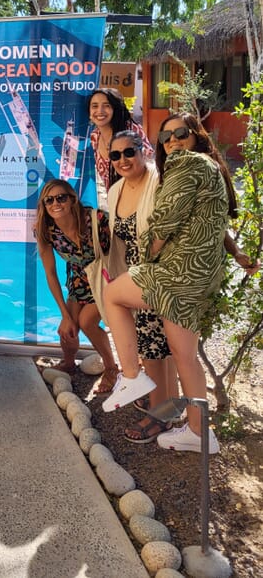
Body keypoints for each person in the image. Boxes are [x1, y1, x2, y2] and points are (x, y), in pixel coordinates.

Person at [101, 117, 232, 454]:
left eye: (181, 134)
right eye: (166, 136)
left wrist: (148, 256)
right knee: (181, 356)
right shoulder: (118, 189)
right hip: (181, 277)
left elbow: (165, 222)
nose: (173, 141)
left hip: (171, 273)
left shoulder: (182, 168)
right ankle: (200, 432)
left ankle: (140, 389)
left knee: (115, 298)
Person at [106, 130, 176, 444]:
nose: (123, 160)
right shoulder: (116, 190)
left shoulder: (160, 183)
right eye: (115, 155)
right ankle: (162, 403)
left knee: (157, 348)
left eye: (129, 152)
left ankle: (161, 415)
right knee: (149, 345)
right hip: (130, 276)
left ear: (143, 150)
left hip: (159, 276)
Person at [34, 179, 119, 393]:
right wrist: (64, 314)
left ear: (72, 199)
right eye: (49, 200)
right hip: (79, 282)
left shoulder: (97, 220)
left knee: (87, 322)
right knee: (68, 329)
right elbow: (50, 273)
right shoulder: (46, 230)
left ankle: (111, 369)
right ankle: (69, 363)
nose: (56, 203)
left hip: (105, 278)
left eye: (61, 197)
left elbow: (121, 251)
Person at [87, 88, 153, 208]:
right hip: (116, 203)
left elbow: (149, 166)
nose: (100, 111)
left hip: (142, 201)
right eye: (94, 106)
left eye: (106, 105)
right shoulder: (94, 137)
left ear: (115, 108)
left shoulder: (131, 130)